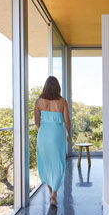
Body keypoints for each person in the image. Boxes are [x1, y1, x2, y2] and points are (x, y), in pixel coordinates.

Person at [34, 76, 70, 207]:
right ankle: (54, 193)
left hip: (43, 134)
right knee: (59, 163)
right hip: (57, 134)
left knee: (46, 163)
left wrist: (44, 132)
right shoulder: (62, 102)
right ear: (58, 87)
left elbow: (36, 122)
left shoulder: (38, 102)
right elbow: (67, 122)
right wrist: (69, 134)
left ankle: (51, 193)